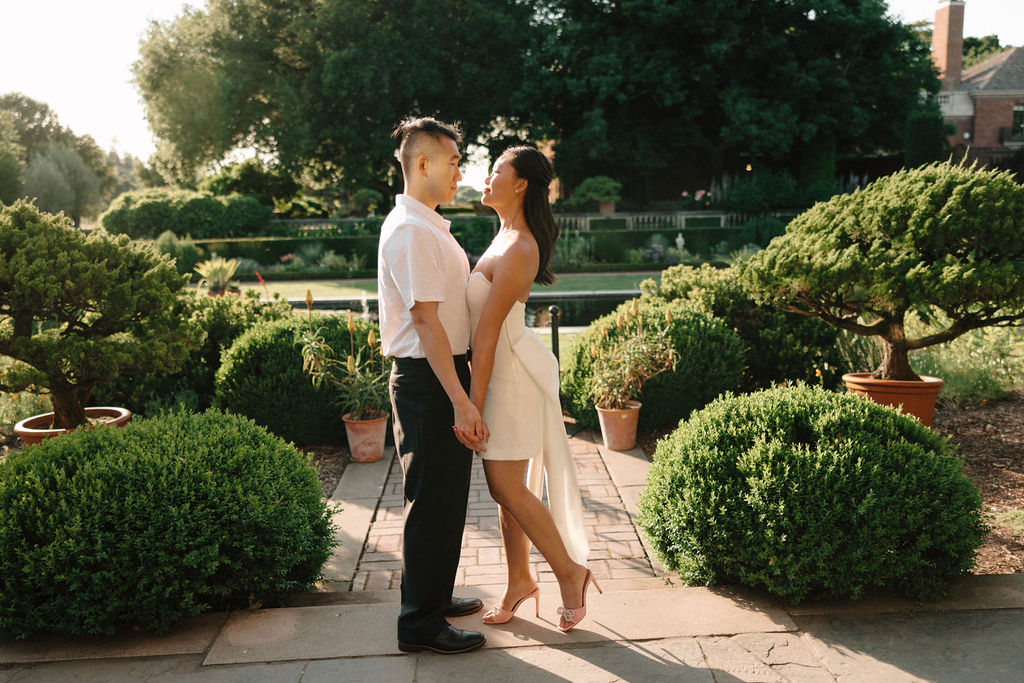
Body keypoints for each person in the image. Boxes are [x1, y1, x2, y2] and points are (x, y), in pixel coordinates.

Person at [458, 146, 598, 633]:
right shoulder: (505, 235)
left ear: (519, 184)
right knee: (507, 489)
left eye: (495, 171)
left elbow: (488, 331)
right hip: (499, 370)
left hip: (511, 374)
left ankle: (569, 572)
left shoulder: (521, 246)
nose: (486, 177)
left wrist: (471, 405)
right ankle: (520, 581)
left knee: (506, 485)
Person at [378, 116, 489, 655]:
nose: (459, 172)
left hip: (437, 376)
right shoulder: (411, 230)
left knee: (444, 499)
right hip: (429, 380)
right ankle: (419, 625)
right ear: (421, 163)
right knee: (431, 500)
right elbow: (426, 323)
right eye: (452, 162)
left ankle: (434, 598)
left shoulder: (427, 224)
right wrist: (462, 400)